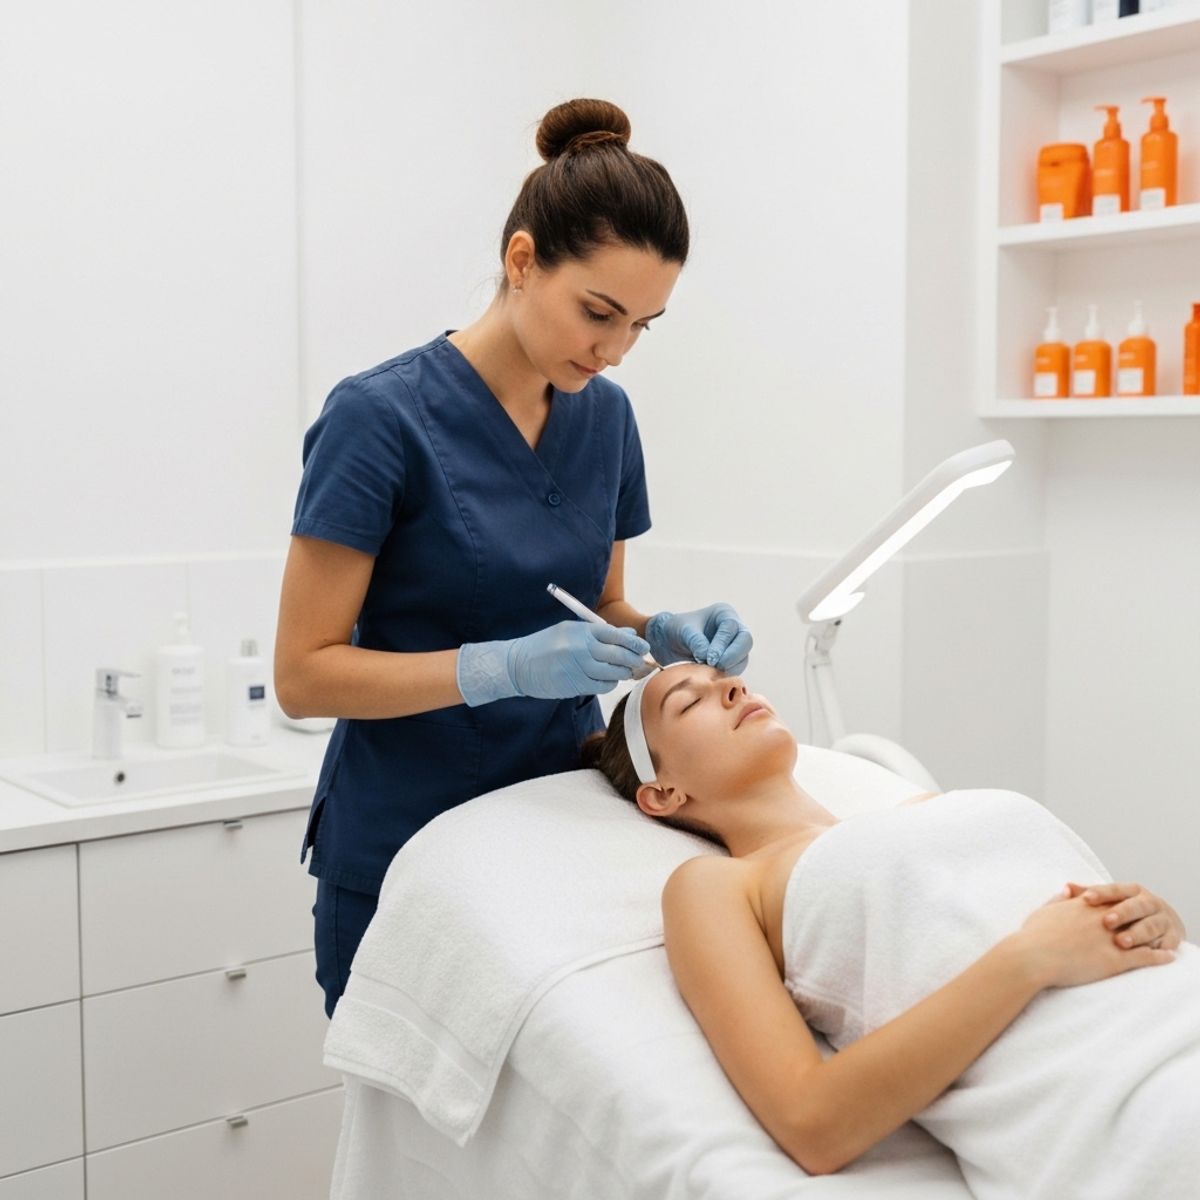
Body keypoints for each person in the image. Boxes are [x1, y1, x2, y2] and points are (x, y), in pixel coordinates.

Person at [274, 98, 753, 1018]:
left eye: (642, 327)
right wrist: (499, 668)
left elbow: (602, 607)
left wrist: (663, 631)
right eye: (598, 313)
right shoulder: (378, 419)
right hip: (405, 841)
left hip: (552, 832)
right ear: (523, 261)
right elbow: (304, 675)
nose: (613, 352)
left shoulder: (605, 418)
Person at [581, 663, 1198, 1198]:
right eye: (690, 701)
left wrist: (1155, 920)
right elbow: (812, 1122)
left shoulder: (921, 810)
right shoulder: (718, 886)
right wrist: (1030, 959)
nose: (735, 688)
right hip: (1132, 1105)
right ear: (661, 793)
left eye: (726, 679)